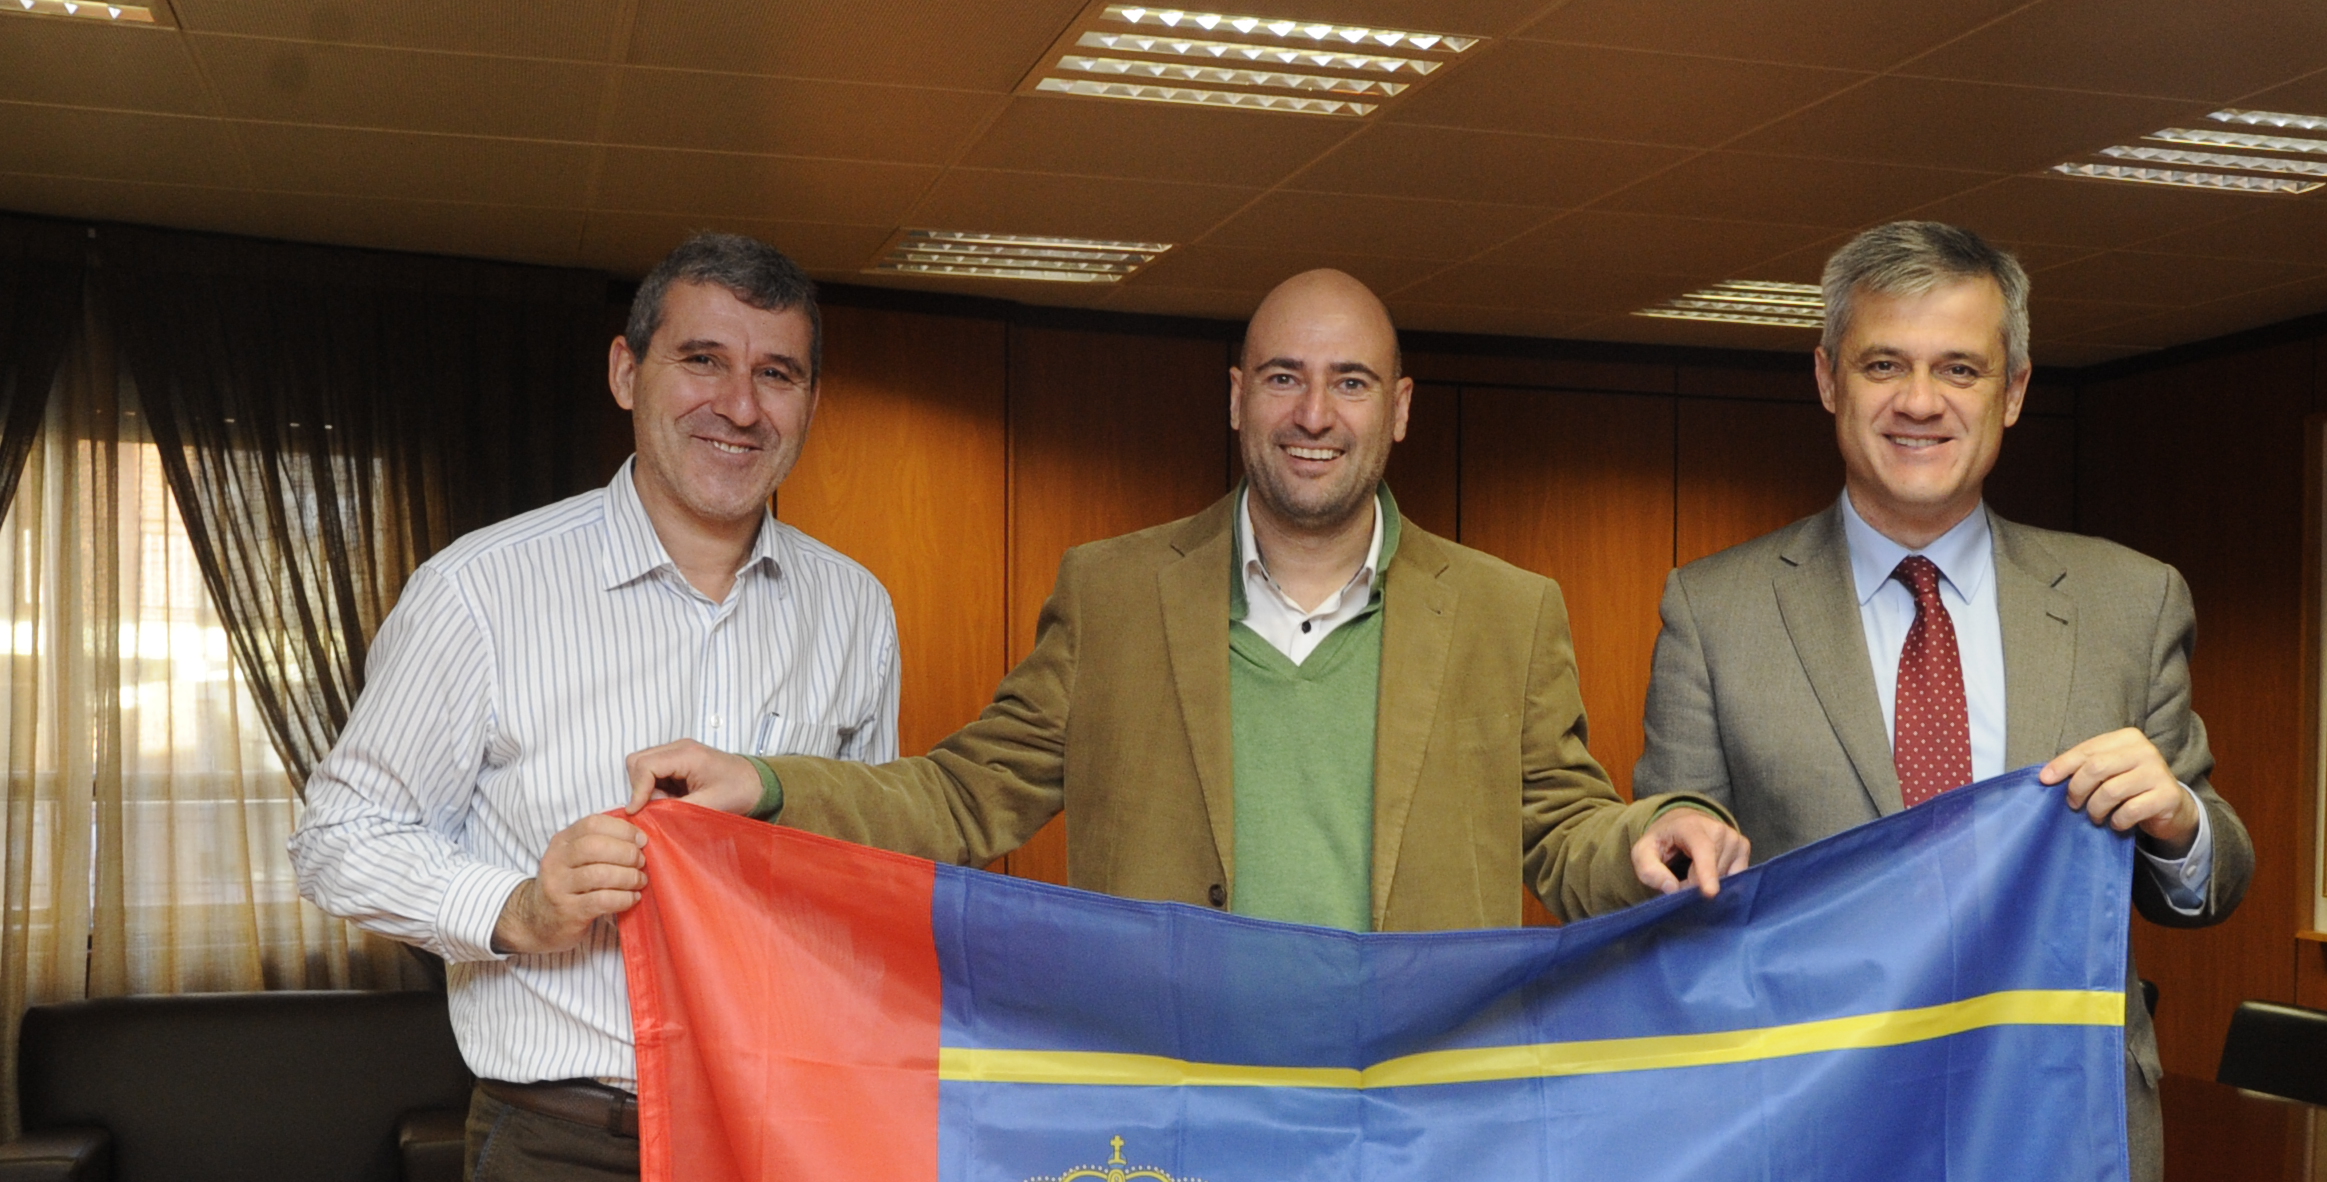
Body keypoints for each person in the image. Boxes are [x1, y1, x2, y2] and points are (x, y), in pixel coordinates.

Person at [289, 233, 901, 1182]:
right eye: (703, 360)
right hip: (570, 1165)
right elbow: (340, 833)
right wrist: (515, 905)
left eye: (778, 372)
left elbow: (861, 880)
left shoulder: (850, 612)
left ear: (810, 402)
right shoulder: (488, 590)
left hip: (782, 1172)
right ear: (628, 373)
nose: (738, 404)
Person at [625, 267, 1748, 926]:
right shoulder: (1112, 595)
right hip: (1177, 1128)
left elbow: (1563, 828)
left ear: (1398, 409)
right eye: (1282, 378)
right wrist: (767, 787)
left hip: (1418, 1128)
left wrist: (1660, 830)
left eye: (1350, 382)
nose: (1315, 413)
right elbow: (961, 800)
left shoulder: (1511, 613)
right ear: (1236, 397)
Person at [1635, 220, 2253, 1182]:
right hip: (1808, 1171)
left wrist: (2179, 826)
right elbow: (1671, 851)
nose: (1920, 402)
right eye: (1885, 364)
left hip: (2059, 1169)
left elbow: (2212, 879)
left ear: (2012, 390)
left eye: (1958, 368)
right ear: (1829, 378)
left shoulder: (2129, 600)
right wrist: (1666, 843)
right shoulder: (1716, 610)